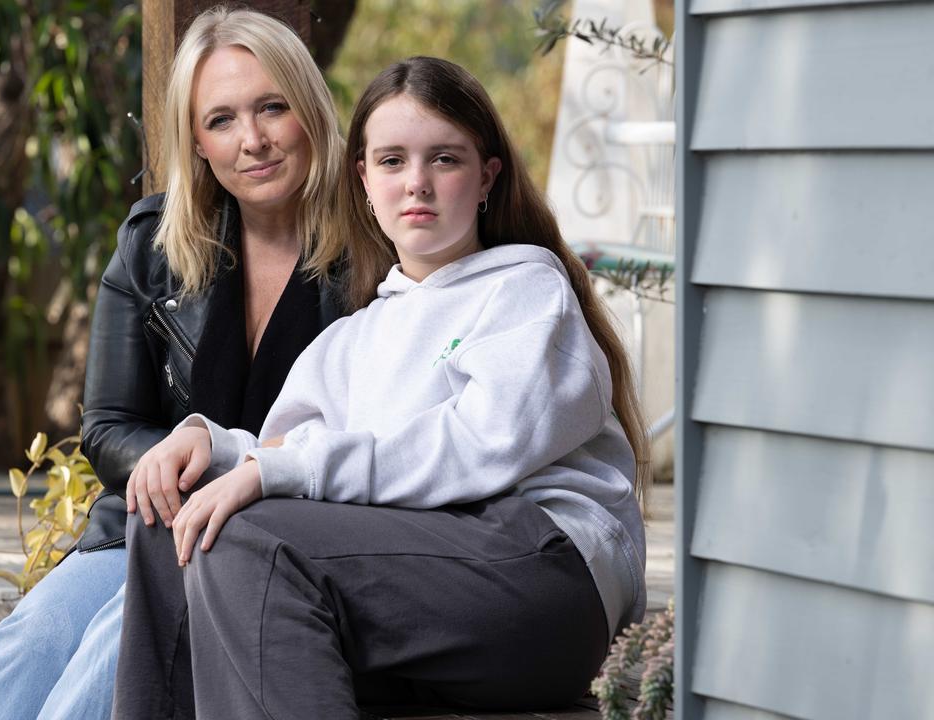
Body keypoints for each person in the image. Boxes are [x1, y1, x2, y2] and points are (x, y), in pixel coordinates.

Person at [112, 56, 652, 719]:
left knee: (252, 540)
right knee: (171, 521)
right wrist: (211, 445)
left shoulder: (525, 290)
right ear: (364, 180)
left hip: (548, 575)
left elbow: (479, 444)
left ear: (487, 178)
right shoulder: (352, 338)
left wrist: (275, 469)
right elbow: (296, 449)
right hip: (421, 586)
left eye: (445, 160)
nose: (417, 183)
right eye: (393, 161)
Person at [0, 7, 356, 719]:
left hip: (269, 542)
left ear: (310, 111)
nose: (252, 140)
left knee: (109, 656)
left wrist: (224, 470)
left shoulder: (372, 253)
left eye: (272, 108)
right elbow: (108, 426)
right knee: (27, 642)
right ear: (196, 140)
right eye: (222, 120)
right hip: (149, 524)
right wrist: (167, 462)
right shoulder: (154, 246)